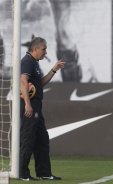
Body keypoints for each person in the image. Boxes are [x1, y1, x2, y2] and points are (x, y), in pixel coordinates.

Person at [20, 37, 65, 181]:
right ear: (35, 49)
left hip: (36, 105)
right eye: (44, 49)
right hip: (30, 105)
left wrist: (53, 70)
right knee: (28, 138)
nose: (45, 52)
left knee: (42, 139)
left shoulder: (34, 63)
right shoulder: (27, 61)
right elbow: (23, 81)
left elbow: (40, 84)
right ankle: (22, 173)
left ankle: (44, 173)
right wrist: (27, 104)